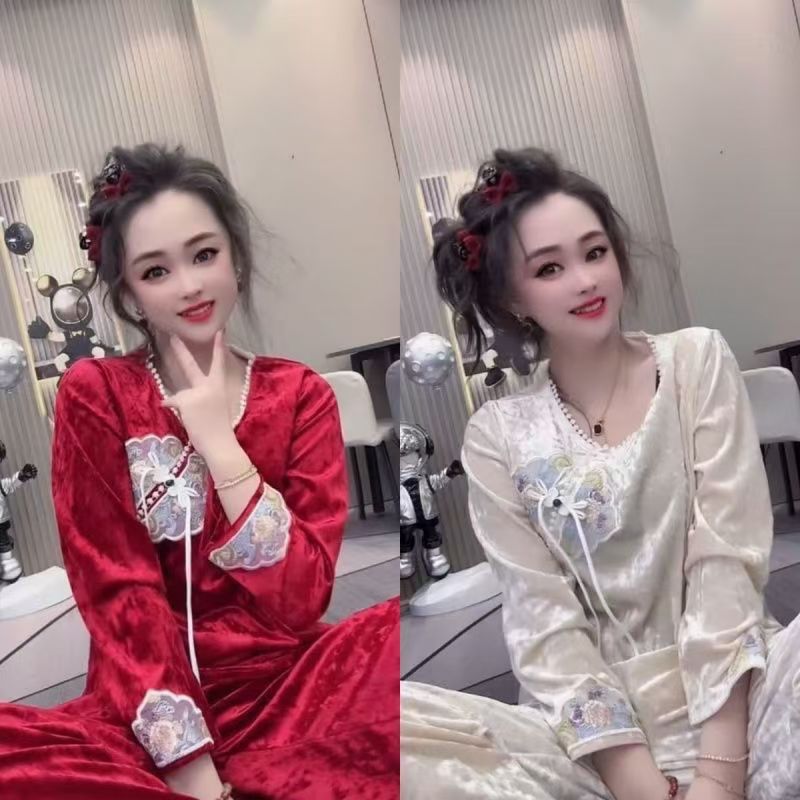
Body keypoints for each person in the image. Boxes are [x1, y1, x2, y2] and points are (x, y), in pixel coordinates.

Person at [0, 144, 399, 800]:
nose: (189, 285)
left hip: (288, 685)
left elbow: (304, 599)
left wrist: (221, 445)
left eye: (204, 254)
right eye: (156, 270)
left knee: (392, 642)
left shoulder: (300, 395)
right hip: (153, 704)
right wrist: (193, 772)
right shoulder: (97, 393)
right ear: (128, 291)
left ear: (235, 256)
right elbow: (119, 594)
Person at [400, 148, 800, 800]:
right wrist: (640, 784)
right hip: (592, 738)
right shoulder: (497, 435)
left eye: (595, 252)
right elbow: (543, 625)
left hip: (740, 697)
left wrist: (719, 777)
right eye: (549, 268)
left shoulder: (696, 361)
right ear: (511, 297)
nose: (585, 281)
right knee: (393, 727)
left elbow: (726, 562)